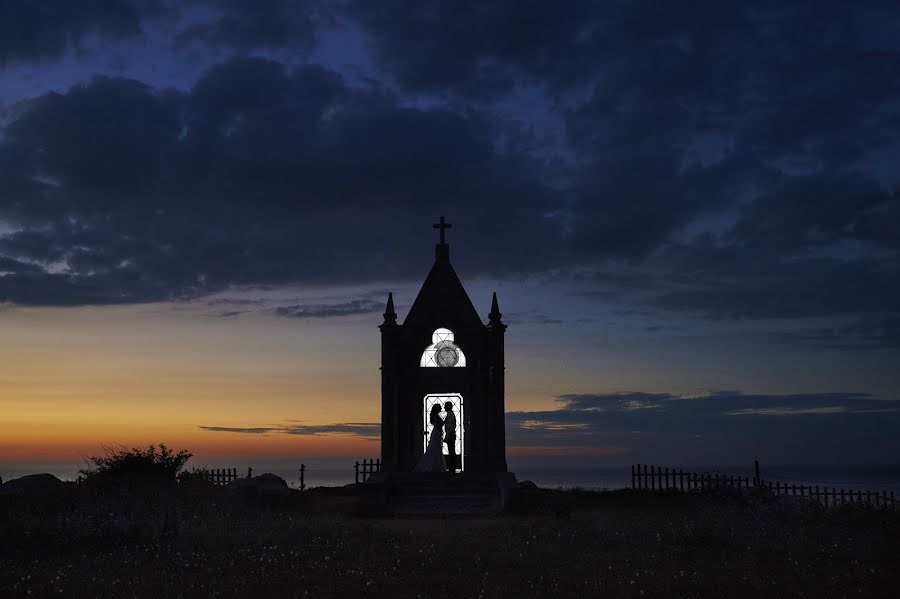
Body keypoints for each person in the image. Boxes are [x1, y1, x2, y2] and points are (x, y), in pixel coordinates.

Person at [414, 404, 445, 472]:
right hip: (437, 434)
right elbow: (440, 424)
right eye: (440, 407)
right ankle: (435, 465)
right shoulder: (436, 416)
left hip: (436, 433)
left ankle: (433, 464)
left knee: (434, 448)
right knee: (435, 448)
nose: (441, 408)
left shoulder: (434, 416)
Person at [443, 401, 457, 473]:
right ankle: (452, 468)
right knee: (452, 451)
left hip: (450, 435)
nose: (444, 407)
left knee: (451, 452)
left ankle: (452, 468)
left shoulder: (449, 415)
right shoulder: (451, 414)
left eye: (445, 406)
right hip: (452, 434)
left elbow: (449, 427)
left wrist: (446, 437)